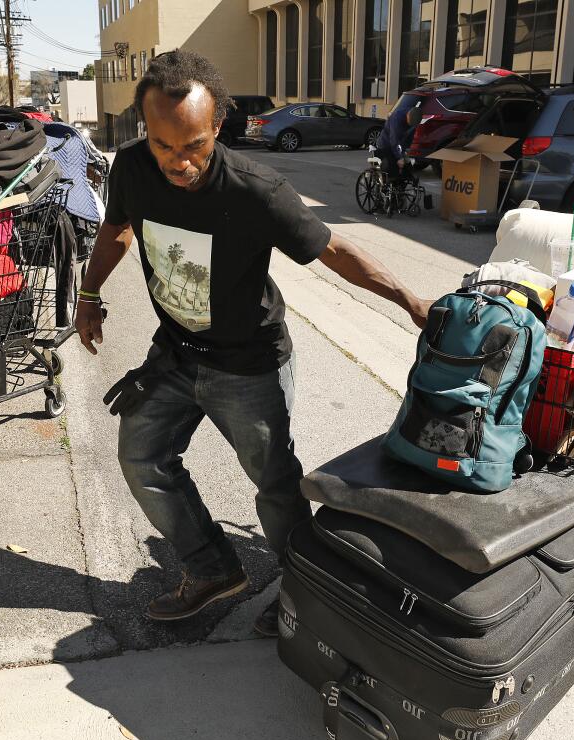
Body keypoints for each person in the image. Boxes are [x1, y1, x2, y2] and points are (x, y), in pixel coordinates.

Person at [74, 50, 432, 637]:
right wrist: (89, 295)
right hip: (176, 353)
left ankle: (304, 593)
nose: (177, 162)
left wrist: (408, 299)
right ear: (146, 130)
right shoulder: (134, 169)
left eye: (192, 145)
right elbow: (116, 230)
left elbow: (334, 250)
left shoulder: (254, 189)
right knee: (142, 457)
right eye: (163, 145)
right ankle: (213, 569)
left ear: (217, 125)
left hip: (250, 366)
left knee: (274, 485)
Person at [375, 102, 423, 185]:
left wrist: (406, 151)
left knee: (407, 168)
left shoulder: (414, 119)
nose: (409, 125)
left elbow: (409, 138)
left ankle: (400, 190)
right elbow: (394, 140)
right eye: (408, 123)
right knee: (393, 166)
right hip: (386, 144)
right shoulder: (396, 118)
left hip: (399, 145)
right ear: (407, 115)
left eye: (411, 125)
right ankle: (388, 186)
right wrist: (399, 157)